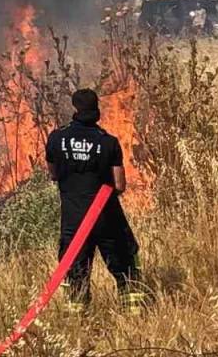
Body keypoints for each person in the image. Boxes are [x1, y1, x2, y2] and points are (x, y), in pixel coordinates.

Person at [46, 89, 145, 312]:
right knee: (125, 266)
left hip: (73, 221)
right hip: (105, 218)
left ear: (74, 108)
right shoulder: (107, 142)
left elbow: (53, 173)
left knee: (76, 273)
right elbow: (119, 185)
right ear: (96, 109)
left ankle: (78, 326)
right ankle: (134, 315)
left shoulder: (56, 138)